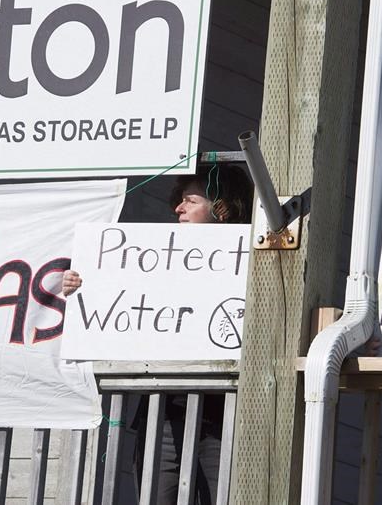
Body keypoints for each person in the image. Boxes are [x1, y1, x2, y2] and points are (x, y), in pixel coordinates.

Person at [62, 162, 254, 505]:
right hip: (163, 410)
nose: (178, 208)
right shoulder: (157, 259)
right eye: (179, 201)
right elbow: (118, 298)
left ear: (223, 208)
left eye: (190, 201)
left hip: (229, 411)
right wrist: (81, 283)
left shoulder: (255, 262)